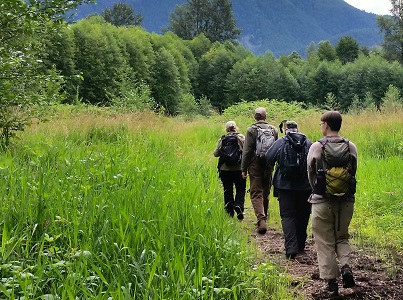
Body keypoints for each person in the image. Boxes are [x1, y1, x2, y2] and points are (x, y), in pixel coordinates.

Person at [307, 111, 358, 296]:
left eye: (321, 123)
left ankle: (331, 284)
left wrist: (319, 189)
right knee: (342, 236)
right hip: (346, 201)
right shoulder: (350, 146)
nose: (321, 126)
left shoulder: (316, 147)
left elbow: (310, 175)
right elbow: (353, 172)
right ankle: (345, 266)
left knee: (324, 242)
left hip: (322, 202)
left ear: (326, 125)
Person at [265, 121, 312, 259]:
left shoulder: (281, 142)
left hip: (284, 185)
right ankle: (301, 244)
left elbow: (268, 158)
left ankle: (291, 248)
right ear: (298, 129)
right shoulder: (308, 142)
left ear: (285, 130)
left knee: (287, 216)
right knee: (303, 214)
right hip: (304, 186)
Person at [241, 107, 278, 234]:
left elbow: (247, 151)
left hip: (254, 164)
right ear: (265, 116)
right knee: (266, 190)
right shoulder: (274, 129)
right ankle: (264, 216)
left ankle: (261, 219)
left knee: (256, 191)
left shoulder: (251, 130)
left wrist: (243, 168)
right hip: (268, 163)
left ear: (254, 117)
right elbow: (276, 148)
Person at [214, 121, 246, 220]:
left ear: (226, 129)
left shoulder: (222, 139)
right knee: (241, 188)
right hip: (239, 169)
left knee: (227, 191)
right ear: (236, 128)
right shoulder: (241, 138)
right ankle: (239, 205)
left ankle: (229, 213)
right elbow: (247, 151)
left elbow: (216, 154)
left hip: (225, 169)